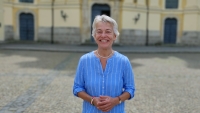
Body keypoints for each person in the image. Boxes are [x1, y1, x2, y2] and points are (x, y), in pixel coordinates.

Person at [73, 15, 135, 113]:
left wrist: (116, 100)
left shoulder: (123, 61)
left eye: (108, 31)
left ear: (115, 36)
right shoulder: (84, 60)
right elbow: (77, 88)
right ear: (94, 35)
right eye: (99, 31)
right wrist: (92, 100)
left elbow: (130, 89)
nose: (103, 35)